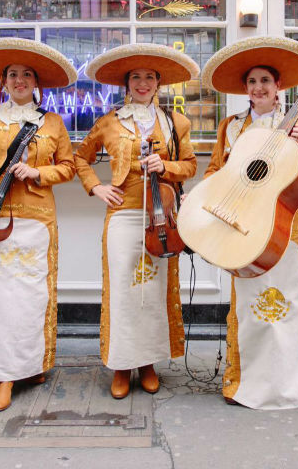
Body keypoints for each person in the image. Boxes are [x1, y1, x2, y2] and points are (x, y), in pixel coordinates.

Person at [200, 36, 298, 409]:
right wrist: (202, 197)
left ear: (279, 86)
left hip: (285, 223)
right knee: (249, 307)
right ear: (245, 89)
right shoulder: (231, 126)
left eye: (265, 81)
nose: (259, 88)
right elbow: (216, 170)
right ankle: (247, 384)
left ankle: (291, 385)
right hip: (243, 222)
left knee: (288, 304)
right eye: (252, 82)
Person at [74, 43, 198, 399]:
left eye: (149, 77)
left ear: (158, 82)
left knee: (154, 292)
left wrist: (167, 166)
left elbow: (189, 165)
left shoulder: (176, 122)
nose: (142, 83)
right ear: (125, 84)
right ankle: (122, 365)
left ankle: (148, 363)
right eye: (135, 77)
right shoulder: (109, 123)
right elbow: (79, 159)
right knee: (124, 293)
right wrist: (96, 187)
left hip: (162, 218)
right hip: (122, 217)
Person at [0, 37, 77, 411]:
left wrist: (37, 171)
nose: (19, 80)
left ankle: (29, 366)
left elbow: (68, 167)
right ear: (3, 81)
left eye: (27, 75)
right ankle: (1, 372)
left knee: (31, 301)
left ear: (37, 83)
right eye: (13, 74)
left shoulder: (52, 122)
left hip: (37, 223)